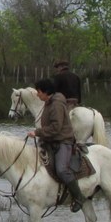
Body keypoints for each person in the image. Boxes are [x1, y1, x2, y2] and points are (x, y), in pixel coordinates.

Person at [28, 77, 84, 212]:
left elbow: (56, 127)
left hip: (63, 141)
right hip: (51, 141)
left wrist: (38, 132)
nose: (37, 94)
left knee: (61, 170)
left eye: (39, 91)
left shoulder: (56, 104)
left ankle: (79, 197)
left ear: (46, 92)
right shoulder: (48, 103)